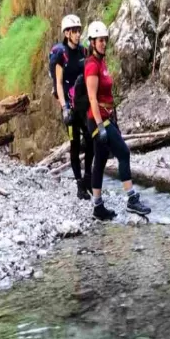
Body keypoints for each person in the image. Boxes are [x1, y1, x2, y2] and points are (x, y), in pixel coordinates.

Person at [84, 20, 152, 220]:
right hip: (98, 120)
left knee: (101, 161)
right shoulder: (91, 65)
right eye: (100, 40)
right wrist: (100, 126)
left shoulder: (101, 62)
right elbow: (92, 98)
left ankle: (97, 207)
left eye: (105, 40)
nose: (104, 43)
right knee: (124, 152)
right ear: (92, 42)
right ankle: (131, 199)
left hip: (107, 117)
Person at [51, 14, 94, 200]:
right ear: (67, 33)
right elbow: (59, 83)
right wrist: (64, 108)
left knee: (92, 140)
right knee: (74, 143)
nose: (78, 34)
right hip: (69, 105)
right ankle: (79, 184)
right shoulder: (61, 54)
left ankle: (88, 177)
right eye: (74, 31)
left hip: (83, 104)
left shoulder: (84, 52)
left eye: (79, 30)